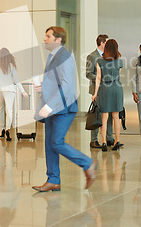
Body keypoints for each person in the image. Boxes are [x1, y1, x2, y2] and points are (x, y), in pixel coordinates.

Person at [32, 26, 96, 192]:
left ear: (58, 39)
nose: (44, 39)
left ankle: (87, 164)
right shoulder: (53, 56)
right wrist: (43, 88)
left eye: (48, 36)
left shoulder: (64, 56)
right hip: (53, 108)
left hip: (63, 108)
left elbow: (67, 85)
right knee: (49, 144)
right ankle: (53, 180)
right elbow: (56, 82)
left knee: (56, 142)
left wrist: (49, 105)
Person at [92, 39, 124, 152]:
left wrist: (95, 93)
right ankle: (117, 141)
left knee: (104, 118)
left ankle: (104, 142)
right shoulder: (119, 61)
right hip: (117, 89)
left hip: (105, 89)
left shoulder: (100, 61)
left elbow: (98, 78)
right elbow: (118, 76)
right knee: (116, 117)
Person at [0, 48, 28, 141]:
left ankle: (2, 129)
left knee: (0, 110)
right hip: (10, 90)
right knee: (9, 110)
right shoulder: (12, 66)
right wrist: (23, 91)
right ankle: (8, 129)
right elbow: (16, 80)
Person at [86, 34, 115, 149]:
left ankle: (109, 138)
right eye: (106, 42)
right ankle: (93, 140)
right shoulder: (92, 56)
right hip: (96, 90)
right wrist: (100, 78)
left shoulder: (108, 56)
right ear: (102, 43)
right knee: (97, 115)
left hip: (108, 89)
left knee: (108, 114)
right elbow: (88, 74)